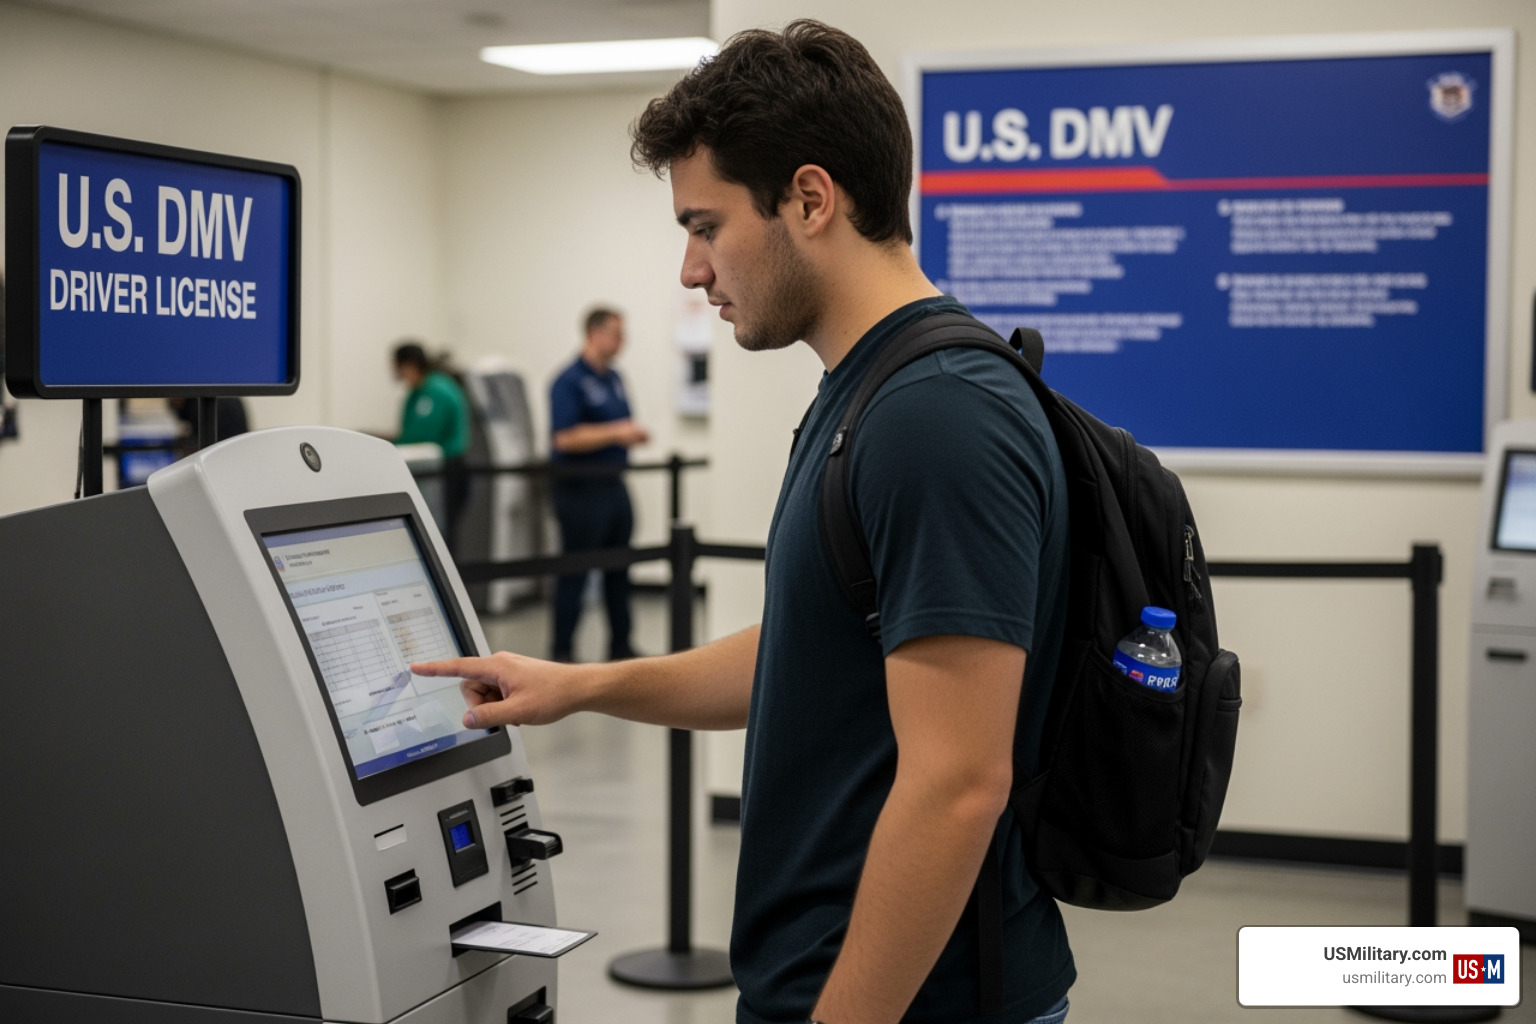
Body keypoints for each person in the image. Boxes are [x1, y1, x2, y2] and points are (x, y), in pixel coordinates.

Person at [415, 21, 1073, 1024]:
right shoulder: (873, 395)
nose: (689, 269)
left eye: (706, 225)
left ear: (811, 199)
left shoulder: (937, 417)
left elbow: (957, 783)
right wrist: (584, 685)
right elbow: (818, 649)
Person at [546, 308, 648, 662]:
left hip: (613, 485)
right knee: (575, 572)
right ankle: (562, 652)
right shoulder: (568, 381)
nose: (623, 341)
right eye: (617, 333)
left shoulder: (615, 378)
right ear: (594, 333)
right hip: (579, 491)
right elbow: (564, 438)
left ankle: (621, 646)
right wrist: (618, 432)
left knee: (619, 568)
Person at [392, 341, 471, 548]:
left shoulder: (434, 392)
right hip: (435, 470)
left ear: (408, 365)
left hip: (446, 469)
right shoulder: (418, 391)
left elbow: (422, 436)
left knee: (441, 535)